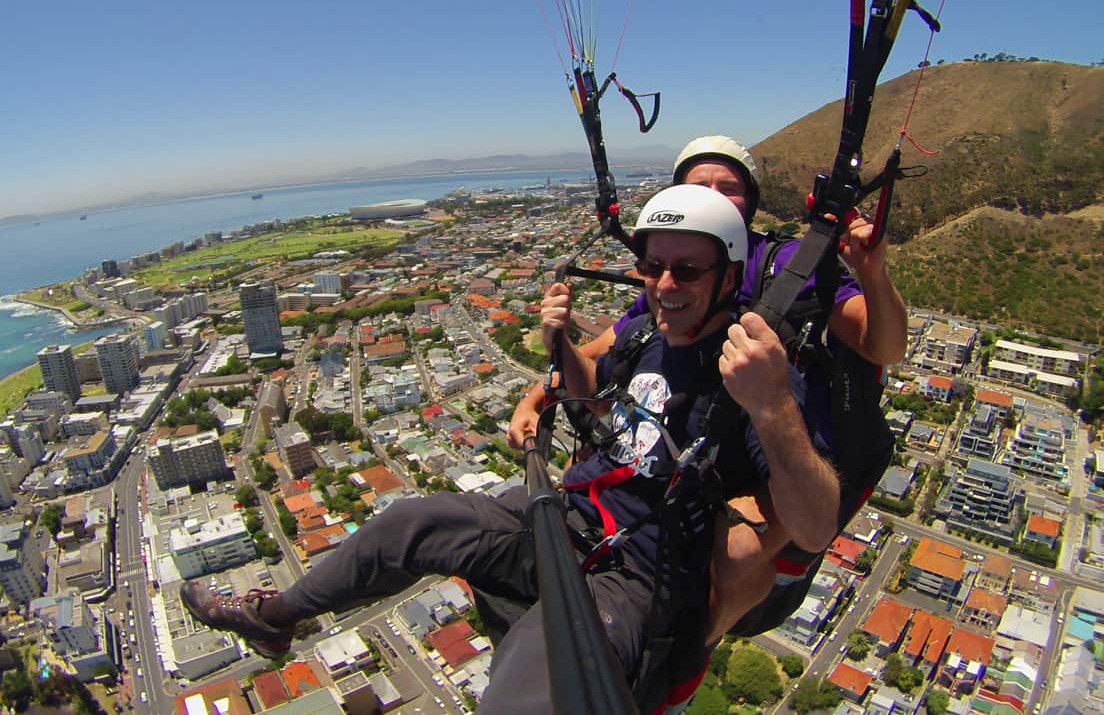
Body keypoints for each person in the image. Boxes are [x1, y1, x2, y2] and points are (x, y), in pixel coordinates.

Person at [180, 185, 839, 713]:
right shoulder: (645, 338)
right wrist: (558, 347)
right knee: (411, 522)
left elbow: (814, 527)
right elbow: (590, 398)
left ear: (729, 275)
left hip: (639, 570)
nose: (664, 285)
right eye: (652, 265)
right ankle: (276, 616)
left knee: (540, 666)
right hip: (562, 515)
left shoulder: (756, 373)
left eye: (687, 269)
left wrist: (774, 403)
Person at [506, 135, 907, 642]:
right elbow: (607, 352)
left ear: (751, 202)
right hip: (696, 441)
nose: (716, 195)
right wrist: (535, 398)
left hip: (775, 446)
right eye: (700, 186)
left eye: (730, 187)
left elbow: (884, 346)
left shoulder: (783, 265)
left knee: (735, 552)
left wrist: (873, 274)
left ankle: (685, 655)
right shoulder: (671, 272)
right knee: (583, 468)